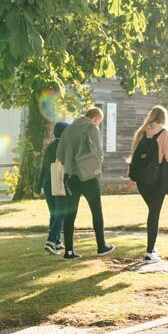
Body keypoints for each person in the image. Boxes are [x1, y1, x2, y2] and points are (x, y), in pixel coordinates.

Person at [57, 107, 115, 260]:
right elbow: (98, 153)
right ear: (96, 118)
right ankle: (101, 246)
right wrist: (95, 169)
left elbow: (60, 155)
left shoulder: (68, 130)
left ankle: (69, 251)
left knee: (70, 214)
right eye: (99, 122)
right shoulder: (92, 128)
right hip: (88, 177)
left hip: (71, 177)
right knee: (96, 212)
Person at [129, 106, 168, 262]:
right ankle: (150, 253)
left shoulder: (142, 132)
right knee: (154, 214)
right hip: (157, 180)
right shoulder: (165, 133)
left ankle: (152, 247)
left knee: (153, 212)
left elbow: (134, 156)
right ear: (164, 118)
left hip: (142, 181)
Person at [42, 121, 70, 254]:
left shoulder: (49, 147)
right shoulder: (65, 146)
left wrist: (38, 185)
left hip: (47, 183)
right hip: (59, 182)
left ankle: (58, 242)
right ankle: (51, 241)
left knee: (53, 213)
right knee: (62, 213)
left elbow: (43, 167)